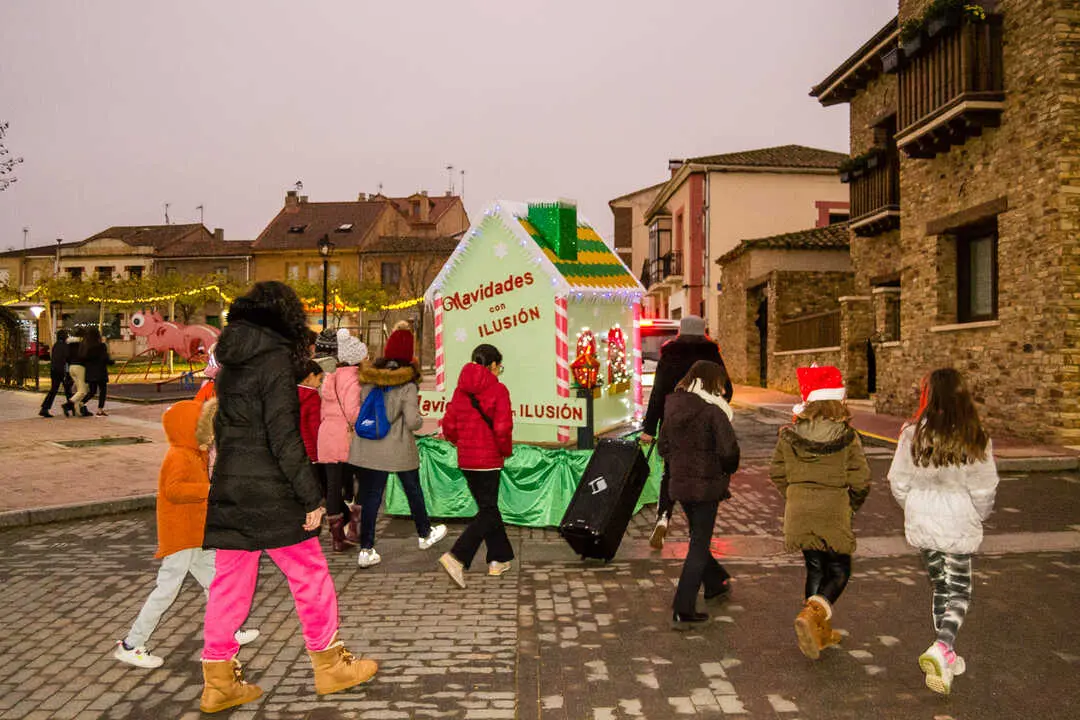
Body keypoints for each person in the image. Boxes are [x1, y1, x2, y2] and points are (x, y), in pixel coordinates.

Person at [199, 281, 376, 714]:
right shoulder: (275, 359)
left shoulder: (231, 361)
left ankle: (218, 681)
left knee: (229, 584)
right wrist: (311, 497)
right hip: (273, 488)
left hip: (232, 485)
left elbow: (223, 426)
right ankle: (329, 664)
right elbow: (283, 435)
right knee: (309, 575)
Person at [113, 399, 259, 668]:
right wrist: (209, 491)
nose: (213, 433)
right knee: (167, 590)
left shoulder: (193, 453)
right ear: (192, 428)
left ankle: (227, 630)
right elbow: (174, 490)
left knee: (216, 583)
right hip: (182, 536)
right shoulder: (179, 455)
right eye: (207, 427)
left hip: (194, 534)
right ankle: (132, 644)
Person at [887, 368, 999, 696]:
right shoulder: (975, 435)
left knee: (940, 586)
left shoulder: (912, 434)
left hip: (923, 520)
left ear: (929, 396)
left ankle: (946, 659)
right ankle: (943, 645)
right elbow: (984, 488)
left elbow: (898, 481)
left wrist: (913, 505)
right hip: (958, 521)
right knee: (960, 590)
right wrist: (979, 515)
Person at [769, 365, 870, 660]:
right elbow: (861, 480)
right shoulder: (848, 436)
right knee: (839, 570)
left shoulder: (788, 435)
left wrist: (794, 496)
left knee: (815, 567)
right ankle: (812, 617)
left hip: (799, 509)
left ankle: (819, 630)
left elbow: (777, 472)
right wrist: (850, 506)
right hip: (834, 509)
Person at [350, 327, 446, 569]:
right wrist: (420, 420)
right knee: (413, 489)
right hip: (397, 449)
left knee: (371, 497)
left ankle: (366, 550)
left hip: (369, 446)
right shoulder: (407, 384)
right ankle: (425, 534)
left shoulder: (371, 378)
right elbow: (412, 421)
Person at [658, 360, 740, 630]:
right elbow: (729, 452)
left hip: (681, 485)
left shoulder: (673, 408)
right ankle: (683, 607)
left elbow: (663, 448)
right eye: (720, 384)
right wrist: (724, 469)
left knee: (698, 536)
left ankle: (715, 582)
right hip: (706, 487)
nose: (723, 390)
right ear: (711, 382)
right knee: (699, 544)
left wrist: (681, 462)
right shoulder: (713, 412)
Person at [640, 315, 732, 550]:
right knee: (702, 471)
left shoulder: (670, 354)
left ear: (680, 331)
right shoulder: (711, 355)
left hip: (673, 421)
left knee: (671, 472)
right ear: (703, 331)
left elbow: (658, 393)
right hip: (705, 425)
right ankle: (696, 532)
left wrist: (649, 428)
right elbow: (728, 390)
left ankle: (663, 517)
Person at [438, 344, 514, 588]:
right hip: (489, 459)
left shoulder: (460, 391)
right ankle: (457, 556)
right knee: (488, 511)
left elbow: (449, 425)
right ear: (492, 365)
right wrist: (504, 450)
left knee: (487, 508)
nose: (499, 370)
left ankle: (498, 559)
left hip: (467, 459)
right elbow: (502, 428)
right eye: (499, 366)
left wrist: (460, 442)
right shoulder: (498, 390)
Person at [317, 329, 368, 552]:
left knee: (333, 487)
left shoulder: (329, 376)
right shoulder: (353, 379)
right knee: (363, 480)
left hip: (327, 434)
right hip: (345, 435)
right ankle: (355, 529)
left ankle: (337, 538)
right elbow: (352, 412)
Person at [39, 329, 74, 418]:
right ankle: (71, 407)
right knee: (68, 390)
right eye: (66, 335)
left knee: (54, 390)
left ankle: (44, 408)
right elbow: (68, 358)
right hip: (62, 370)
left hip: (54, 370)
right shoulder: (65, 346)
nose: (67, 337)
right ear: (64, 336)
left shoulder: (56, 345)